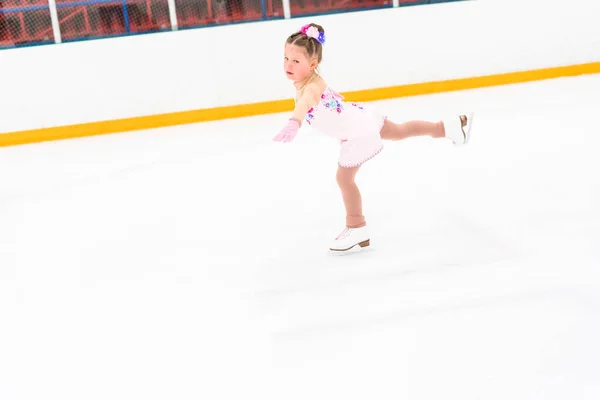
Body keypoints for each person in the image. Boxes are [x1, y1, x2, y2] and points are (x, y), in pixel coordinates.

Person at [273, 23, 474, 252]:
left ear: (312, 64)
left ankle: (357, 226)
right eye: (286, 58)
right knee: (398, 131)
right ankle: (448, 128)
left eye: (295, 61)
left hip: (356, 131)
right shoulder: (310, 81)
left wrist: (294, 121)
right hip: (358, 120)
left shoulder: (310, 88)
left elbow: (306, 103)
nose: (288, 64)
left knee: (344, 179)